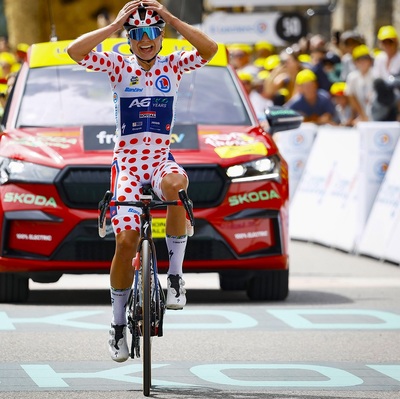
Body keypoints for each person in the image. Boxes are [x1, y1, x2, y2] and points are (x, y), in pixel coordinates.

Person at [67, 0, 218, 363]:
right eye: (138, 35)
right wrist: (115, 25)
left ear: (161, 35)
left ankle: (176, 278)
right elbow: (75, 51)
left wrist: (167, 16)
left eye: (152, 33)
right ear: (131, 39)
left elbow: (210, 49)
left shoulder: (174, 64)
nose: (146, 40)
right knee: (126, 241)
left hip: (160, 160)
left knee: (177, 187)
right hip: (129, 167)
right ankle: (118, 325)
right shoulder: (118, 64)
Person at [345, 44, 375, 122]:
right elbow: (351, 97)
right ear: (355, 62)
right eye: (359, 60)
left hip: (376, 115)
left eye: (365, 59)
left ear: (370, 61)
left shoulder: (376, 76)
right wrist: (362, 116)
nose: (363, 62)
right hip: (361, 115)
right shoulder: (352, 77)